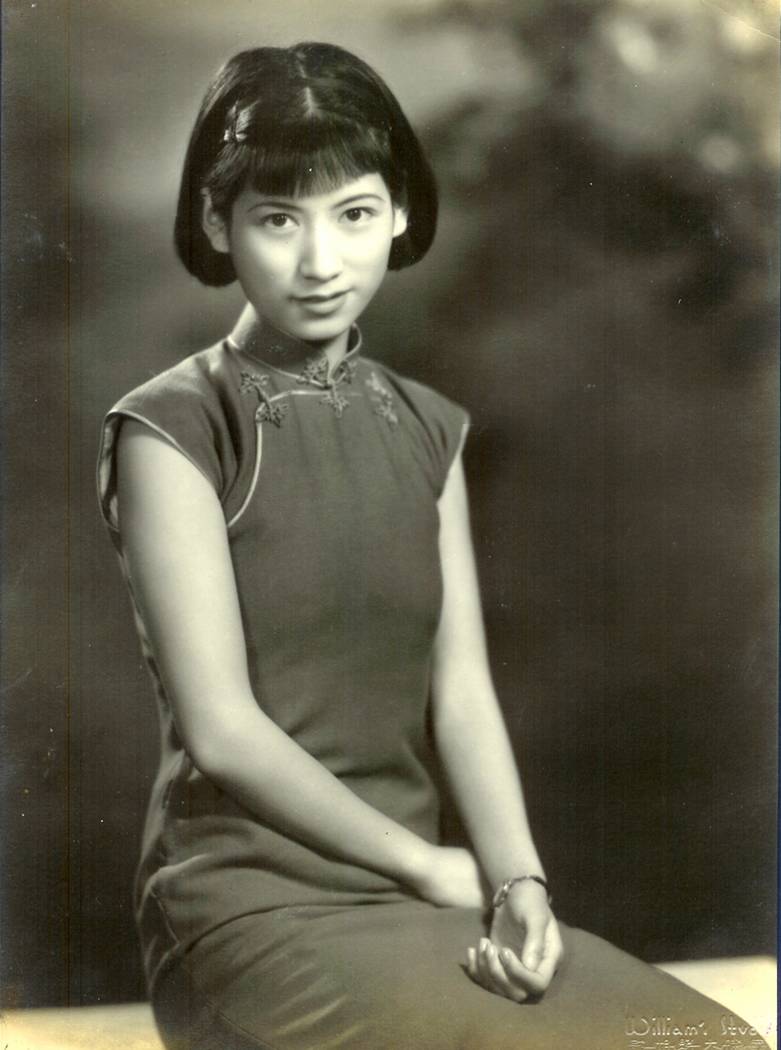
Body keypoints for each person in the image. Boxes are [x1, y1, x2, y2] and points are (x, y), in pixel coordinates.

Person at [97, 42, 768, 1050]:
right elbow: (221, 728)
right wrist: (423, 863)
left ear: (401, 212)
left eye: (354, 214)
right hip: (243, 916)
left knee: (710, 1043)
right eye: (278, 219)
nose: (321, 262)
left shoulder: (426, 427)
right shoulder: (171, 429)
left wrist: (518, 883)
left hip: (420, 904)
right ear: (217, 221)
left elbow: (460, 694)